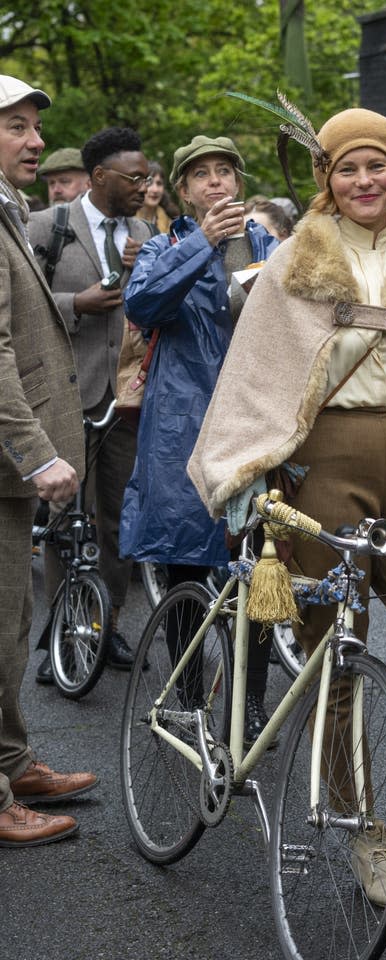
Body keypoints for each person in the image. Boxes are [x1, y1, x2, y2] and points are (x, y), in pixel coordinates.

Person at [187, 107, 386, 900]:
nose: (363, 182)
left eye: (377, 168)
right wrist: (254, 472)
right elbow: (260, 375)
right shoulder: (297, 257)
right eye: (346, 169)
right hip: (321, 469)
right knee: (338, 658)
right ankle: (362, 827)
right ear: (326, 181)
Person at [120, 135, 280, 745]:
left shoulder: (264, 242)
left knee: (261, 566)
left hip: (253, 423)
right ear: (183, 191)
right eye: (201, 175)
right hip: (182, 426)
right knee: (188, 565)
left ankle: (250, 703)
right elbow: (144, 304)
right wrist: (203, 243)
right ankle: (187, 700)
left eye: (225, 173)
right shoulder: (165, 245)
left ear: (238, 183)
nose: (215, 183)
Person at [0, 73, 97, 846]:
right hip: (8, 459)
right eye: (16, 127)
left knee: (13, 617)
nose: (35, 141)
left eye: (34, 126)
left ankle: (13, 761)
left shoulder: (11, 210)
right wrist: (36, 455)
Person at [28, 127, 156, 680]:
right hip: (64, 394)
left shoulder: (146, 230)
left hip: (125, 400)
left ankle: (107, 625)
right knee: (64, 520)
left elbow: (155, 308)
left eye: (147, 177)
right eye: (135, 177)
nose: (144, 186)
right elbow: (21, 307)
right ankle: (60, 633)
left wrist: (144, 265)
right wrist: (74, 302)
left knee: (119, 523)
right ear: (100, 177)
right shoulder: (46, 227)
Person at [135, 159, 176, 233]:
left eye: (159, 183)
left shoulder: (173, 226)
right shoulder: (126, 220)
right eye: (149, 183)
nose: (155, 190)